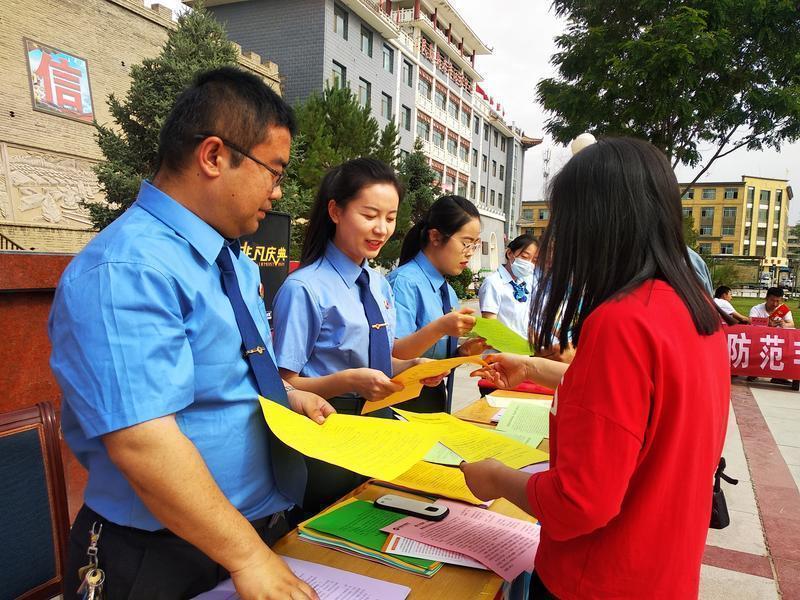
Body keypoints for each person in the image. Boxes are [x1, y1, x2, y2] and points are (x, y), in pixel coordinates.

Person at [49, 67, 331, 600]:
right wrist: (248, 557)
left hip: (245, 536)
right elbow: (141, 440)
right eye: (273, 171)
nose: (277, 191)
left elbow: (220, 376)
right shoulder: (127, 269)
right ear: (214, 156)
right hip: (157, 554)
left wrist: (286, 395)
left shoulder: (234, 263)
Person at [463, 137, 729, 599]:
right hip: (664, 570)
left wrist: (496, 477)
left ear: (596, 224)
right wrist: (531, 367)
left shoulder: (621, 322)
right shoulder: (695, 310)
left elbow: (579, 503)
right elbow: (643, 405)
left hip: (595, 577)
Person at [271, 157, 447, 515]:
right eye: (369, 215)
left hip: (379, 424)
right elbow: (281, 384)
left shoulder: (378, 283)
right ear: (335, 211)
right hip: (327, 432)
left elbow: (378, 359)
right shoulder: (305, 288)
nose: (381, 229)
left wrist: (411, 365)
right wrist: (346, 381)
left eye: (390, 218)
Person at [387, 195, 489, 413]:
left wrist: (462, 353)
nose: (470, 253)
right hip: (401, 402)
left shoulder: (448, 292)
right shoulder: (404, 283)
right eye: (465, 243)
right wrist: (441, 327)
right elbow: (393, 356)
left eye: (475, 244)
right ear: (435, 237)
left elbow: (435, 364)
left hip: (433, 400)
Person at [479, 234, 539, 339]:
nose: (529, 263)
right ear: (510, 253)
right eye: (524, 257)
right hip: (502, 352)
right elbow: (490, 326)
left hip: (525, 350)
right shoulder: (493, 283)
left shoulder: (526, 283)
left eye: (534, 260)